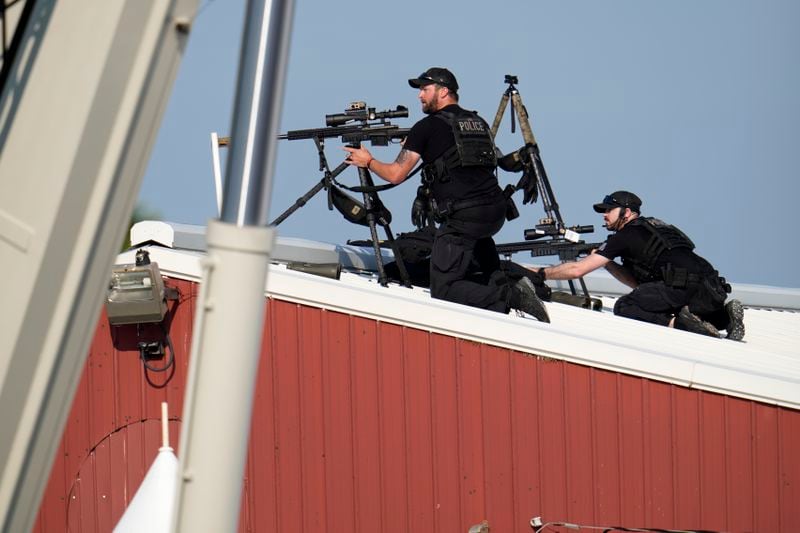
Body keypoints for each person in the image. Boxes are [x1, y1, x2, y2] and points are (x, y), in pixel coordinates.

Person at [343, 67, 549, 322]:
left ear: (443, 91)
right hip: (494, 212)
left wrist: (368, 161)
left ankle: (513, 296)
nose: (419, 96)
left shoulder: (426, 128)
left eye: (424, 89)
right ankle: (508, 288)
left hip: (464, 217)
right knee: (485, 271)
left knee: (444, 289)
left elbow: (396, 174)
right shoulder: (477, 121)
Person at [533, 190, 745, 340]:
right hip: (710, 285)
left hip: (679, 286)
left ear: (626, 212)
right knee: (695, 312)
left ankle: (682, 325)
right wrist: (608, 263)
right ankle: (725, 318)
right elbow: (638, 284)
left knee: (626, 306)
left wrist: (541, 273)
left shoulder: (624, 236)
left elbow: (578, 270)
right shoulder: (657, 226)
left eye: (609, 210)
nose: (604, 215)